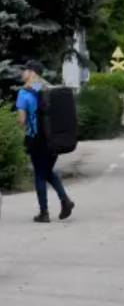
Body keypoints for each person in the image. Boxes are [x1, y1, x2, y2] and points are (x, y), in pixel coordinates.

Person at [16, 61, 75, 223]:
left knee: (40, 174)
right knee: (47, 171)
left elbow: (22, 120)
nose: (22, 73)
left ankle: (44, 212)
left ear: (33, 73)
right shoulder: (49, 90)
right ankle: (65, 201)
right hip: (54, 138)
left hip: (36, 138)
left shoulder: (23, 93)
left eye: (25, 70)